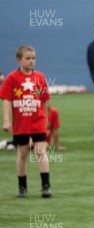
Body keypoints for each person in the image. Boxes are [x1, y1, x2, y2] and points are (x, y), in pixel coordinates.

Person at [0, 45, 52, 198]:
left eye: (33, 58)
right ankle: (22, 187)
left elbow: (46, 100)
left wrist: (47, 118)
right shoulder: (12, 78)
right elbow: (7, 100)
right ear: (18, 59)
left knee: (40, 152)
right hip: (21, 124)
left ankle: (46, 186)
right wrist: (6, 120)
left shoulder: (40, 78)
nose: (31, 61)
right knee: (22, 154)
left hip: (38, 122)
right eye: (27, 58)